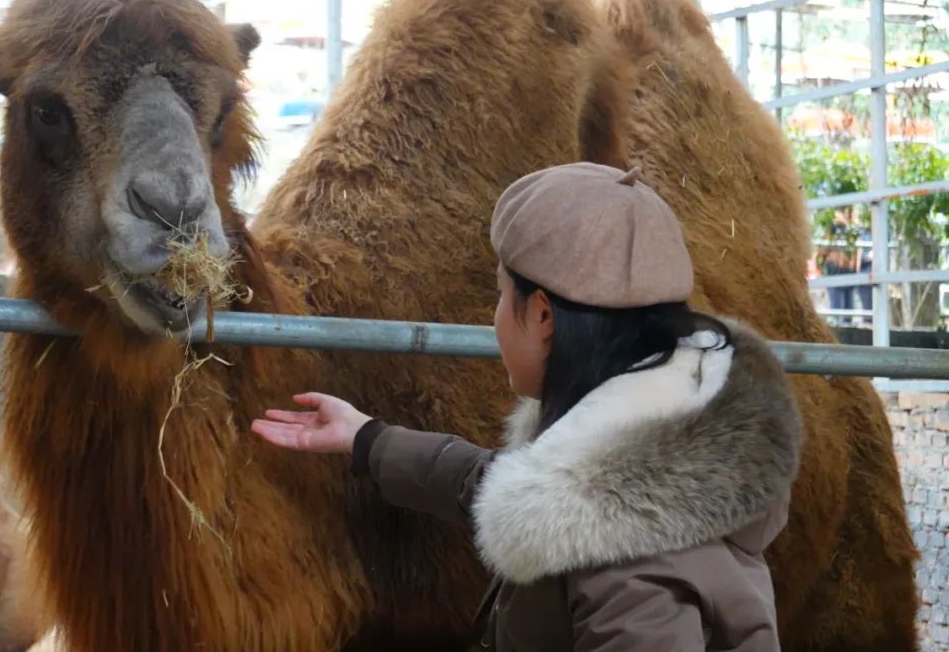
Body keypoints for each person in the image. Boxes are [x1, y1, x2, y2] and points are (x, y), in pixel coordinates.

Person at [252, 162, 803, 651]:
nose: (494, 317)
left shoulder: (628, 570)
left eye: (499, 294)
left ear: (543, 317)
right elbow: (517, 488)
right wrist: (368, 440)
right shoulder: (666, 458)